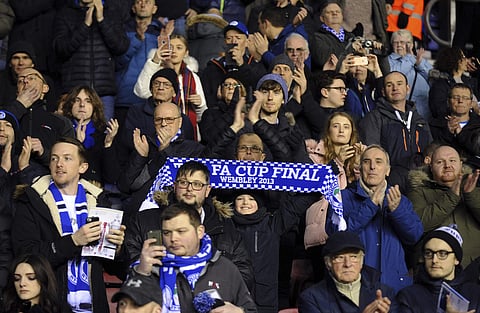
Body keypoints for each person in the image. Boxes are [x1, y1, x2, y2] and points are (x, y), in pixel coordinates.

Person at [11, 137, 127, 312]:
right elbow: (26, 255)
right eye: (54, 158)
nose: (59, 164)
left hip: (94, 305)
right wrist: (73, 241)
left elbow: (117, 269)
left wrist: (117, 249)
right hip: (50, 306)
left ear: (83, 167)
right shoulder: (31, 200)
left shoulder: (99, 201)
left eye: (67, 158)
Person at [125, 161, 255, 292]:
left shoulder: (224, 225)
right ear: (174, 186)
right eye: (183, 182)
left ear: (207, 190)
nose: (189, 189)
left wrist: (212, 292)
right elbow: (127, 264)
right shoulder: (144, 219)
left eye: (197, 184)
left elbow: (244, 273)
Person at [327, 145, 423, 292]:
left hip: (395, 286)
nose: (372, 166)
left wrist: (397, 212)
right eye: (366, 161)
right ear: (360, 168)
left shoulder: (399, 200)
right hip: (356, 285)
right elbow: (336, 235)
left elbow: (415, 235)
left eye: (379, 162)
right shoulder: (341, 197)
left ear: (388, 170)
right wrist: (370, 205)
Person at [133, 202, 257, 312]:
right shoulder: (149, 267)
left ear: (200, 232)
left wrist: (239, 311)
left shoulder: (225, 268)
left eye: (181, 231)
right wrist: (142, 272)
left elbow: (250, 309)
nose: (173, 239)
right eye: (167, 233)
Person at [231, 190, 318, 313]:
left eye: (251, 199)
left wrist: (322, 181)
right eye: (240, 198)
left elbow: (295, 207)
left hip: (264, 301)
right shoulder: (226, 226)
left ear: (259, 203)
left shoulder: (272, 224)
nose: (245, 202)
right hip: (233, 300)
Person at [53, 0, 130, 121]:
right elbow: (61, 49)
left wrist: (101, 20)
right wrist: (85, 25)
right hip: (74, 91)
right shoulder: (66, 13)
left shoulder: (112, 12)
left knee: (104, 135)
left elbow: (121, 47)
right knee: (71, 136)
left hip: (104, 92)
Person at [359, 71, 432, 193]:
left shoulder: (420, 120)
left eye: (399, 84)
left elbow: (430, 150)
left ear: (407, 88)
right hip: (391, 184)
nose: (395, 88)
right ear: (383, 92)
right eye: (389, 85)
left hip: (422, 182)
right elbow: (371, 152)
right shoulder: (374, 118)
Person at [408, 145, 480, 267]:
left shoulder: (473, 189)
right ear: (430, 166)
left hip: (474, 269)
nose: (447, 166)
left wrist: (470, 196)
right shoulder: (418, 192)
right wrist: (451, 197)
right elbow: (417, 225)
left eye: (452, 160)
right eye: (440, 162)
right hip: (435, 268)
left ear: (461, 164)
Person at [298, 231, 397, 313]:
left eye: (353, 257)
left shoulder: (385, 293)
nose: (348, 264)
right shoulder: (312, 299)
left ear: (361, 261)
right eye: (340, 257)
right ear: (328, 263)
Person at [134, 34, 207, 141]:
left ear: (186, 53)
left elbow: (202, 116)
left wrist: (200, 104)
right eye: (170, 47)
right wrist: (154, 61)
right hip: (158, 130)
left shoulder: (193, 77)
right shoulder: (156, 71)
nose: (174, 51)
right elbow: (140, 91)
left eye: (179, 48)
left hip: (187, 134)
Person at [4, 68, 75, 171]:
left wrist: (43, 152)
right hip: (11, 178)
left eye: (31, 78)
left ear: (45, 88)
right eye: (20, 80)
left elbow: (70, 158)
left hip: (46, 179)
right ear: (17, 91)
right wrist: (19, 105)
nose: (25, 81)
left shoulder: (60, 122)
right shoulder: (7, 115)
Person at [396, 225, 480, 312]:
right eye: (428, 253)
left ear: (456, 259)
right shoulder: (408, 297)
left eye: (442, 253)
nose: (434, 260)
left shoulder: (476, 295)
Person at [61, 85, 120, 186]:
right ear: (70, 105)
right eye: (77, 100)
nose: (82, 105)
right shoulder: (60, 129)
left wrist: (108, 144)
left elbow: (111, 177)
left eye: (88, 101)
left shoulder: (105, 132)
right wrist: (78, 144)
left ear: (94, 106)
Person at [115, 0, 161, 125]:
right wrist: (137, 40)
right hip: (125, 97)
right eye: (139, 1)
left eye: (147, 1)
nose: (143, 4)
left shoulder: (161, 32)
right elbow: (117, 62)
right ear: (133, 8)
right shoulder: (122, 30)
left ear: (154, 8)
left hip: (152, 98)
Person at [201, 20, 265, 107]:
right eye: (229, 38)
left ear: (247, 42)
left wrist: (241, 65)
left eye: (238, 38)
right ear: (225, 43)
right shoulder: (213, 67)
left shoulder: (255, 66)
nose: (234, 42)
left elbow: (258, 89)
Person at [429, 83, 480, 169]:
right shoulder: (435, 124)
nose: (460, 101)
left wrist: (461, 134)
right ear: (448, 102)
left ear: (471, 103)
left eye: (465, 98)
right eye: (456, 97)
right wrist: (448, 133)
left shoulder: (478, 124)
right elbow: (432, 150)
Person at [388, 29, 432, 120]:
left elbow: (432, 77)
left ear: (411, 44)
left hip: (424, 111)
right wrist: (409, 57)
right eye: (396, 42)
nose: (399, 45)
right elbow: (395, 74)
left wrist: (420, 64)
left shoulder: (418, 59)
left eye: (402, 42)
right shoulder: (388, 60)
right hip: (401, 112)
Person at [429, 47, 479, 125]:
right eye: (463, 57)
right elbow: (438, 110)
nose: (466, 60)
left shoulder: (470, 81)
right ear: (456, 61)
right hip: (451, 126)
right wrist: (470, 106)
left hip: (473, 126)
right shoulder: (441, 84)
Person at [303, 71, 347, 140]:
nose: (345, 93)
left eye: (345, 89)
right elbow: (323, 121)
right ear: (325, 92)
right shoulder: (314, 117)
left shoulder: (348, 116)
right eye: (340, 89)